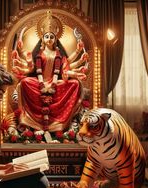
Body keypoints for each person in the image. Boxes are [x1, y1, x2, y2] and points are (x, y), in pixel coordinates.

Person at [10, 10, 89, 139]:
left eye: (52, 37)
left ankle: (59, 124)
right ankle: (33, 124)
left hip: (55, 82)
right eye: (47, 36)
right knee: (24, 83)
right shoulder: (40, 54)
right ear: (42, 38)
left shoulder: (58, 55)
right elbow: (37, 70)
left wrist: (79, 51)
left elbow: (63, 67)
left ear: (56, 39)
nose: (49, 39)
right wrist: (42, 84)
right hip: (40, 82)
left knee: (75, 84)